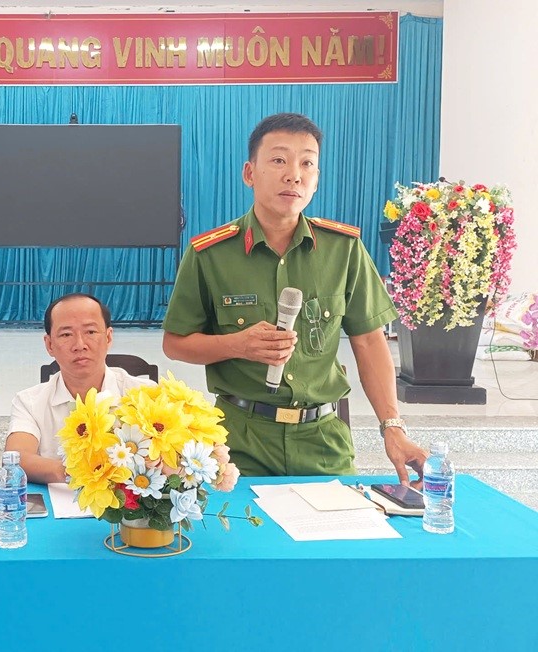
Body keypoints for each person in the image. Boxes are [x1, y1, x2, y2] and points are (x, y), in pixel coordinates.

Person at [162, 112, 427, 486]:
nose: (294, 175)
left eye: (307, 163)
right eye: (279, 160)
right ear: (249, 173)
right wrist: (238, 345)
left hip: (322, 441)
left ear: (316, 179)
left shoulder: (343, 249)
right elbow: (175, 344)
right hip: (239, 442)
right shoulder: (210, 254)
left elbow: (369, 341)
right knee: (238, 526)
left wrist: (392, 426)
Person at [5, 293, 155, 483]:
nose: (80, 345)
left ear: (108, 337)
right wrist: (84, 474)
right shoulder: (29, 402)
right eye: (66, 335)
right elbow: (17, 458)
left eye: (90, 332)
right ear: (49, 345)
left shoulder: (145, 394)